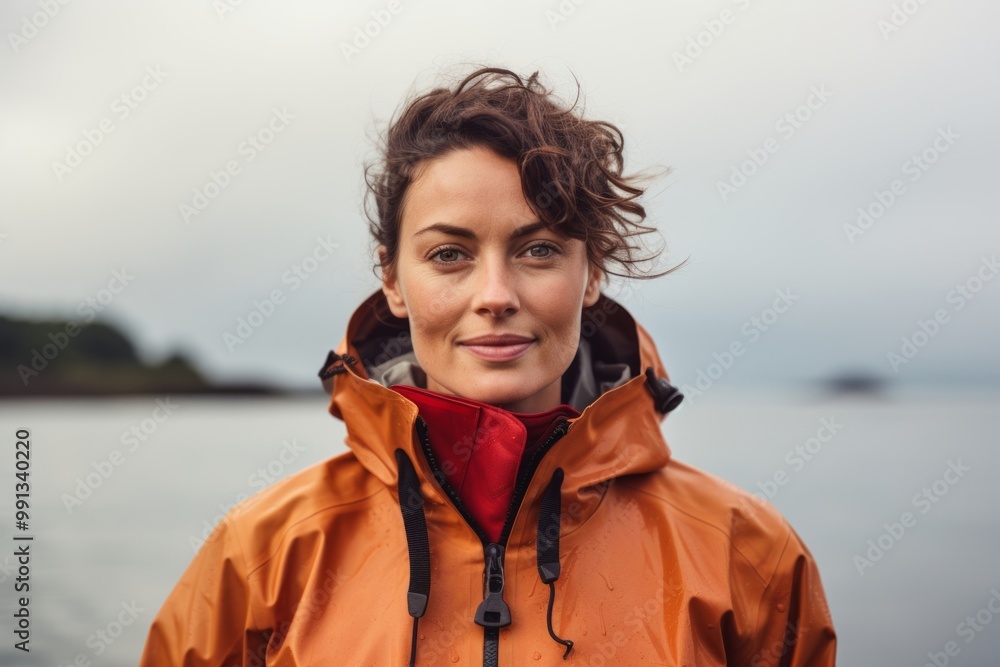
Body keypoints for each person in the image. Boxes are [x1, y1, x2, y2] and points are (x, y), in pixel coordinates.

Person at [139, 66, 836, 666]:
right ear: (391, 278)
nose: (495, 295)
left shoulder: (743, 550)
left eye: (537, 250)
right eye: (450, 254)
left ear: (590, 271)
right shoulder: (265, 553)